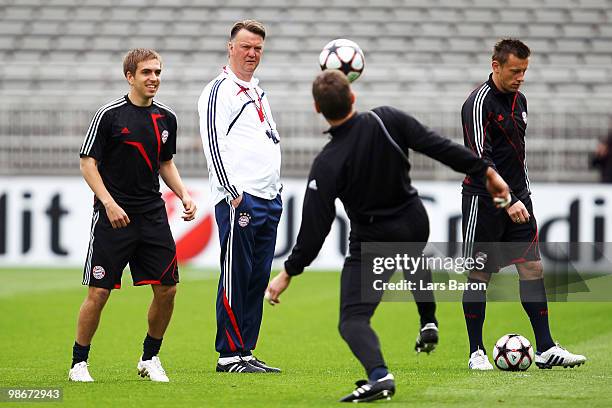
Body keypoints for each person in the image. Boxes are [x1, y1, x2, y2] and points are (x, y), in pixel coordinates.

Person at [266, 70, 511, 402]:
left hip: (374, 239)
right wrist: (486, 171)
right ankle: (428, 319)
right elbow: (439, 146)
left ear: (316, 108)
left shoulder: (328, 162)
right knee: (412, 254)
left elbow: (314, 230)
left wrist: (288, 272)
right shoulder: (387, 119)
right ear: (352, 97)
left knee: (353, 320)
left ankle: (380, 375)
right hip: (413, 220)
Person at [69, 49, 196, 383]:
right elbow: (87, 162)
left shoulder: (166, 118)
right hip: (114, 218)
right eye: (146, 73)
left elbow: (165, 162)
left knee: (167, 289)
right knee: (98, 293)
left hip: (152, 216)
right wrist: (108, 203)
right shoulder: (109, 116)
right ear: (130, 76)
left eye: (157, 72)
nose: (154, 78)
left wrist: (183, 194)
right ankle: (79, 362)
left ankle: (150, 357)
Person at [460, 38, 586, 370]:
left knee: (532, 268)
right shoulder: (478, 104)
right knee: (479, 273)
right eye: (515, 71)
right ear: (496, 66)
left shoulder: (521, 100)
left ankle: (544, 348)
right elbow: (479, 160)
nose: (520, 77)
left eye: (525, 71)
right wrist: (506, 199)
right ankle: (476, 352)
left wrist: (521, 195)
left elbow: (516, 157)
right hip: (484, 201)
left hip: (519, 199)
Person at [198, 20, 282, 374]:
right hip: (240, 199)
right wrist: (233, 191)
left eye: (258, 48)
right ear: (230, 47)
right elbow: (213, 142)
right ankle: (228, 354)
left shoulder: (256, 91)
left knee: (257, 277)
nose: (252, 54)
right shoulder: (219, 90)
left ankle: (246, 349)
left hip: (268, 196)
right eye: (246, 46)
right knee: (236, 274)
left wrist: (276, 189)